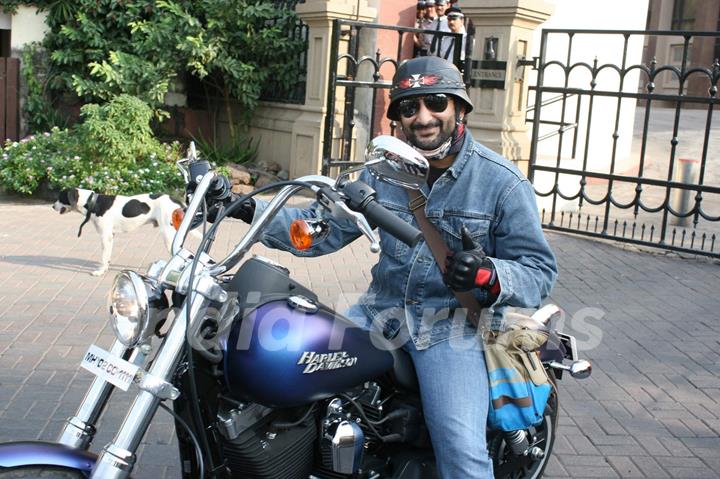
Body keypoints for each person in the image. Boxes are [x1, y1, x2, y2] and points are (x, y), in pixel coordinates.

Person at [208, 57, 557, 478]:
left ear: (459, 108)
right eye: (410, 107)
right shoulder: (383, 174)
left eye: (436, 102)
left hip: (448, 329)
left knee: (461, 450)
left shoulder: (502, 183)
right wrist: (243, 207)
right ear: (398, 119)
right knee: (295, 379)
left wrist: (488, 274)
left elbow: (538, 271)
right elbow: (319, 229)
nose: (424, 117)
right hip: (379, 313)